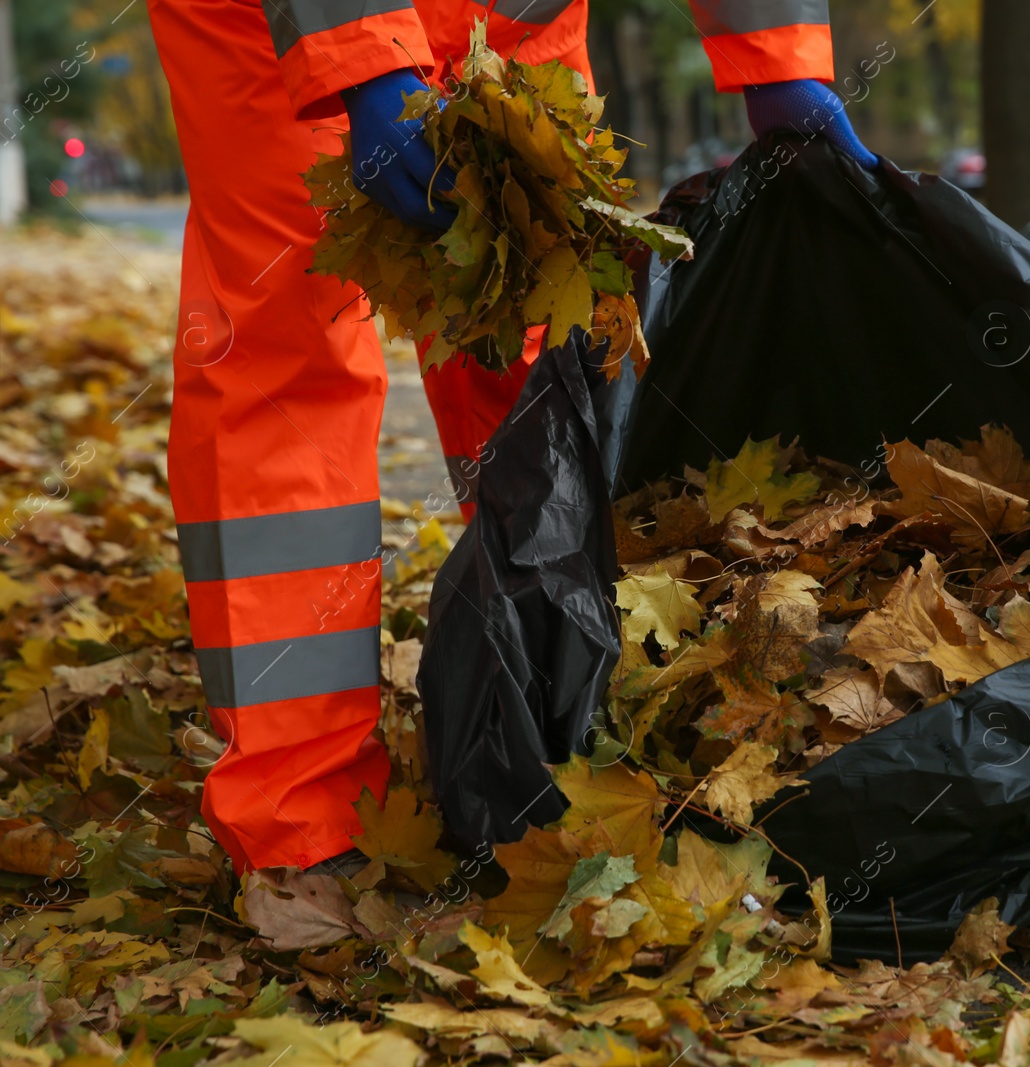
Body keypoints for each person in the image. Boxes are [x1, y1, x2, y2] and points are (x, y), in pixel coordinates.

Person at [146, 0, 874, 878]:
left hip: (516, 20)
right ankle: (298, 817)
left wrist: (775, 54)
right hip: (277, 25)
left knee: (541, 348)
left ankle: (545, 735)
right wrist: (358, 59)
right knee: (288, 360)